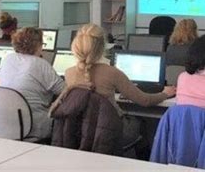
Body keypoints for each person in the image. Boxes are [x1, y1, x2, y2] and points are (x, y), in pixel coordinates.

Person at [54, 23, 176, 157]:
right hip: (110, 130)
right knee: (143, 123)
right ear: (102, 47)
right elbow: (145, 100)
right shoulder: (112, 72)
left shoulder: (69, 73)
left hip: (82, 131)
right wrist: (165, 93)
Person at [0, 27, 65, 140]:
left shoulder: (8, 59)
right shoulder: (39, 64)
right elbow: (64, 91)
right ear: (38, 45)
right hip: (33, 125)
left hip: (4, 124)